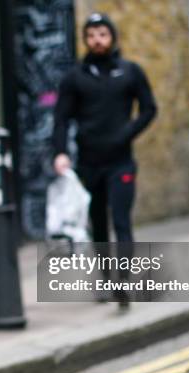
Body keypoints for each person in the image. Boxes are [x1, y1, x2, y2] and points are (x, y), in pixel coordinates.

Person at [52, 13, 157, 309]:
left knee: (122, 221)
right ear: (85, 40)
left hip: (121, 162)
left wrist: (127, 133)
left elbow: (149, 109)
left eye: (103, 34)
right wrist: (60, 152)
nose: (97, 40)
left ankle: (122, 284)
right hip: (88, 164)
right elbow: (60, 118)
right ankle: (106, 279)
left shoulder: (130, 71)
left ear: (112, 37)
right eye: (91, 35)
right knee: (98, 224)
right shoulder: (75, 77)